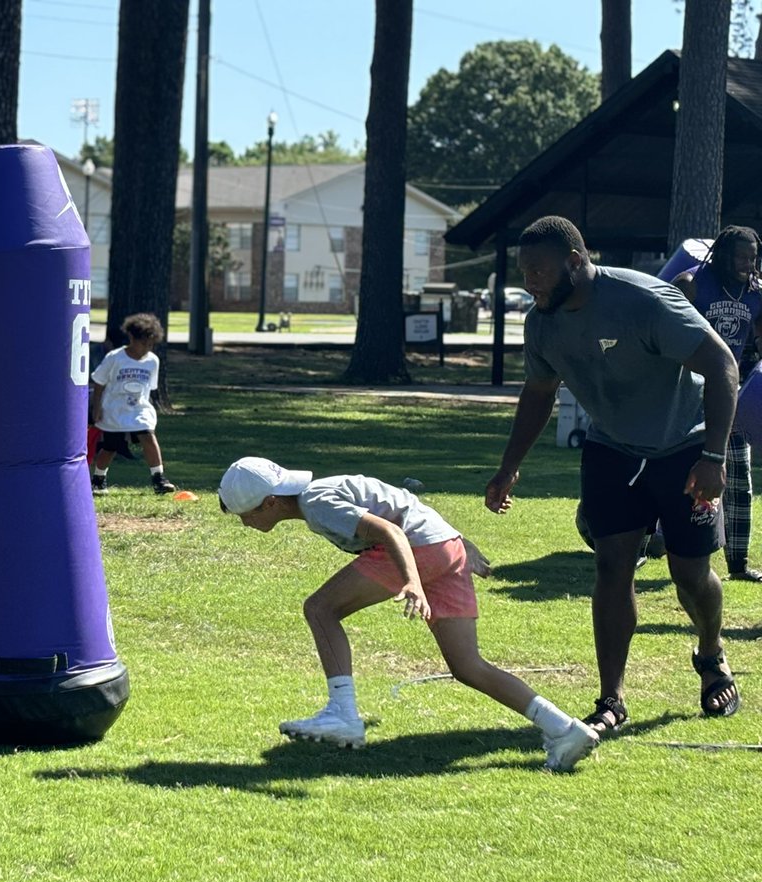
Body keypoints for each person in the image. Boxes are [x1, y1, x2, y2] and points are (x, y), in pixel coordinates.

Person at [485, 215, 742, 734]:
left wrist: (713, 458)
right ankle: (612, 699)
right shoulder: (542, 322)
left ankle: (712, 654)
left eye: (539, 272)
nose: (529, 283)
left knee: (689, 574)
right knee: (612, 566)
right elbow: (538, 392)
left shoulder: (644, 301)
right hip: (612, 449)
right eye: (524, 272)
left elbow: (722, 365)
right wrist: (509, 466)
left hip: (683, 447)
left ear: (576, 262)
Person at [218, 456, 599, 772]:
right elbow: (406, 502)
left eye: (245, 513)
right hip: (442, 548)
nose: (244, 522)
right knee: (468, 666)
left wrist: (413, 581)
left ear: (270, 503)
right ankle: (565, 729)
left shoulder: (317, 504)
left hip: (418, 553)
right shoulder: (321, 493)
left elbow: (392, 533)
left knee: (320, 609)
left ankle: (342, 714)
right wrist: (459, 542)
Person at [672, 225, 762, 582]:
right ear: (722, 253)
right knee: (671, 474)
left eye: (753, 257)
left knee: (738, 477)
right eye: (741, 256)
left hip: (729, 395)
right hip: (685, 394)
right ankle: (647, 546)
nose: (747, 264)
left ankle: (738, 565)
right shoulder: (690, 283)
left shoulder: (756, 293)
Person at [89, 313, 176, 496]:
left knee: (148, 437)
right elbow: (99, 382)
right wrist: (96, 407)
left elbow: (148, 387)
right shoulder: (115, 357)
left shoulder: (152, 361)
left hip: (139, 409)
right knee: (111, 447)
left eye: (150, 344)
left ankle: (159, 478)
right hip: (115, 410)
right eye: (143, 343)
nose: (146, 348)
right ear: (131, 338)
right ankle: (98, 478)